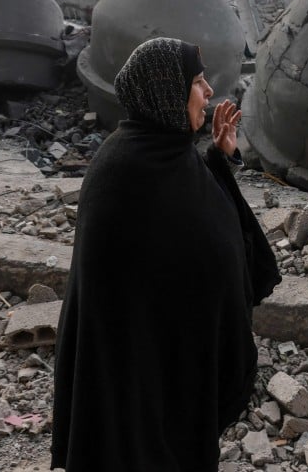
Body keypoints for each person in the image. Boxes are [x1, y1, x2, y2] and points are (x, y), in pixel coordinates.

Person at [51, 37, 281, 471]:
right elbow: (154, 270)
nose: (209, 92)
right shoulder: (124, 171)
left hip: (169, 367)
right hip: (137, 378)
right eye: (197, 81)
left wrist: (219, 158)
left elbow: (200, 222)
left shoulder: (167, 152)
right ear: (166, 93)